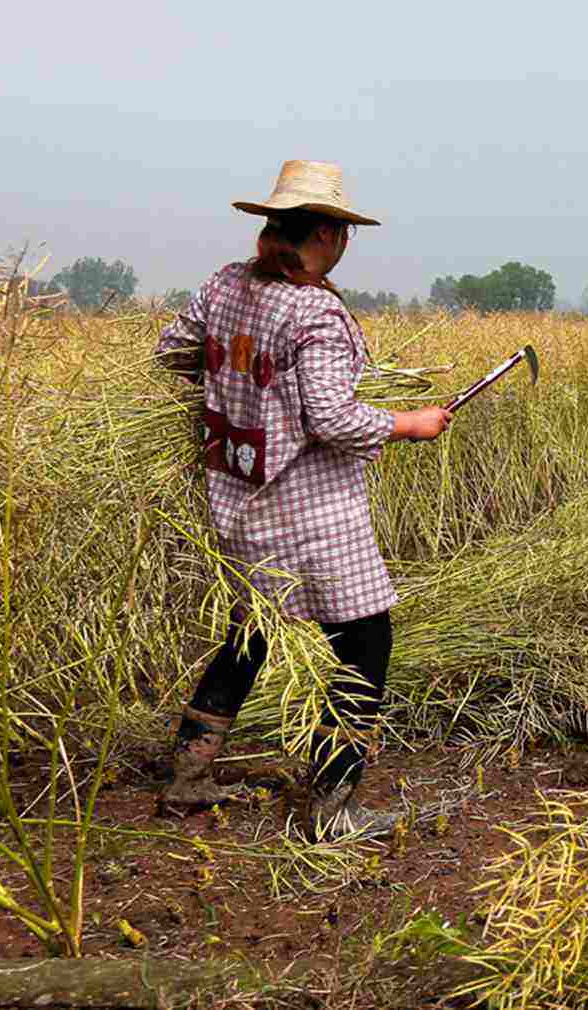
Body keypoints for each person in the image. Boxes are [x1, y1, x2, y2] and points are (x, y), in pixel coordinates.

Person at [152, 160, 454, 840]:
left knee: (250, 632)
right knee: (364, 640)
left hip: (236, 495)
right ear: (326, 232)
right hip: (310, 511)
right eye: (341, 234)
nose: (343, 245)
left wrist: (239, 389)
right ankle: (334, 808)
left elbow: (174, 351)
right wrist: (409, 423)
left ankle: (188, 776)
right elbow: (331, 418)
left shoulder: (227, 284)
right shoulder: (315, 310)